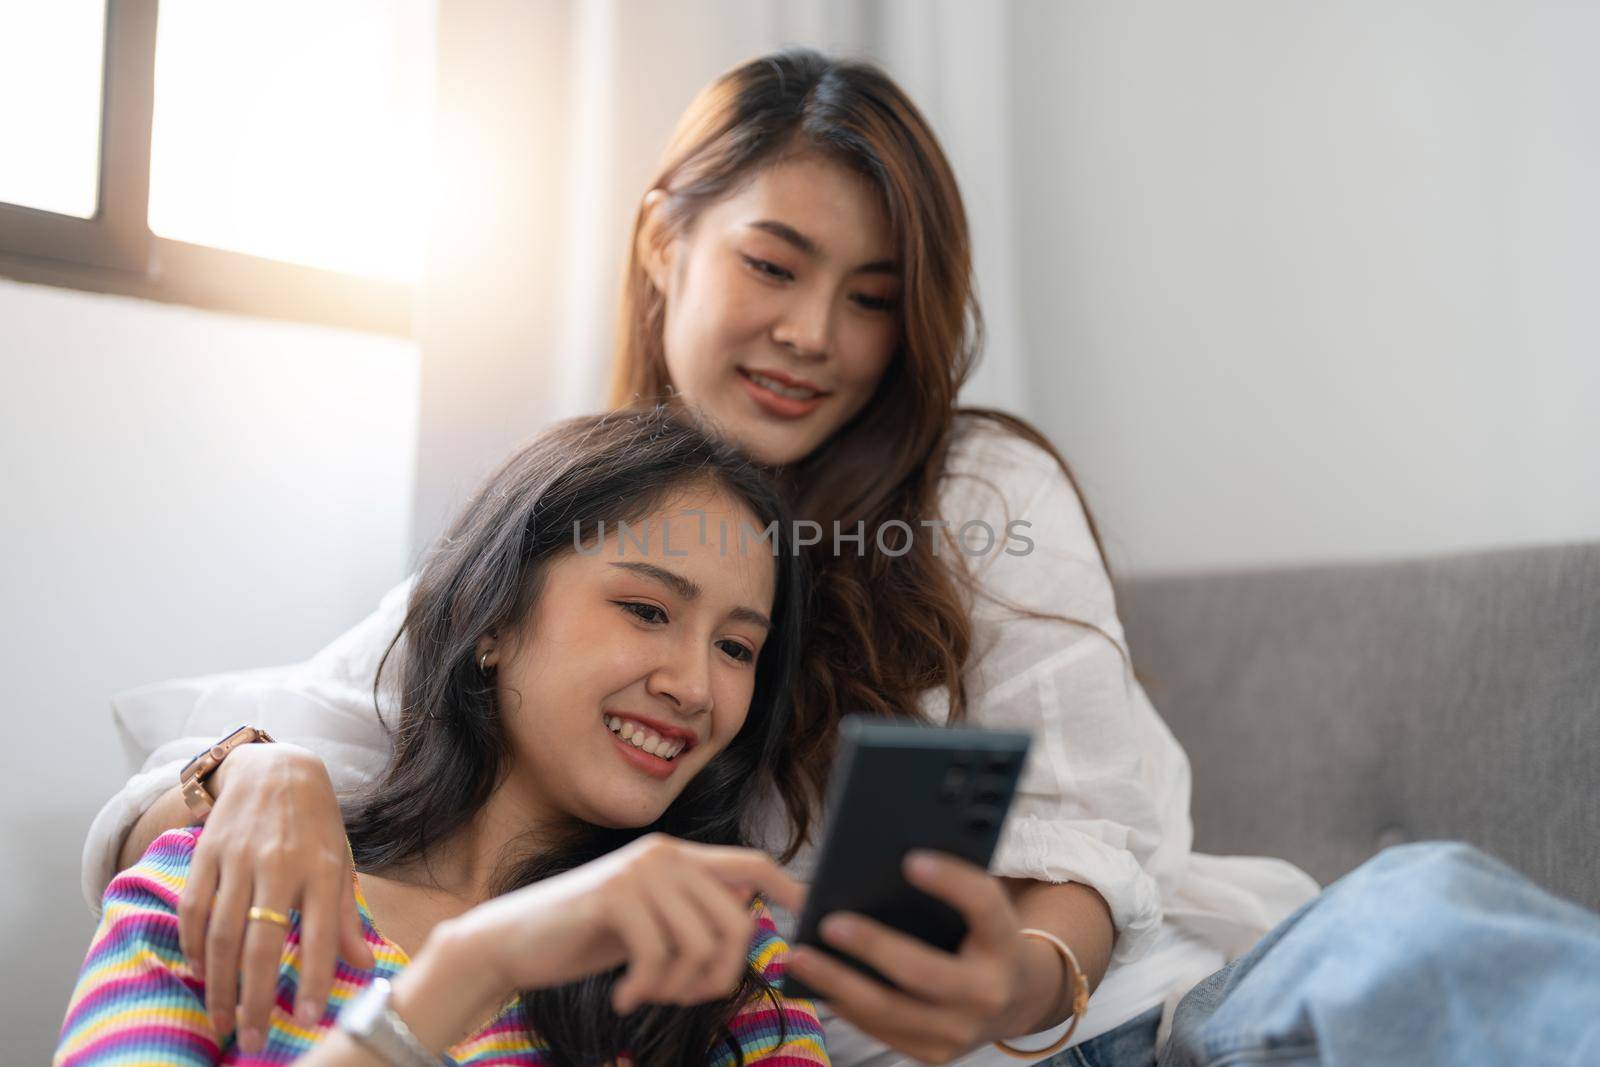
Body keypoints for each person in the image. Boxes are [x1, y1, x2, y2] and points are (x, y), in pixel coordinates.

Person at [82, 47, 1600, 1067]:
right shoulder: (577, 516)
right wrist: (255, 763)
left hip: (1117, 1026)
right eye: (773, 263)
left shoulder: (974, 487)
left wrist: (1011, 980)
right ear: (665, 238)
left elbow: (1088, 836)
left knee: (1417, 914)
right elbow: (326, 728)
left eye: (873, 295)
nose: (817, 334)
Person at [58, 409, 829, 1065]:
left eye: (736, 648)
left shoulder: (719, 957)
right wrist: (471, 966)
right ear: (491, 616)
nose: (694, 687)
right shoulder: (224, 879)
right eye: (647, 610)